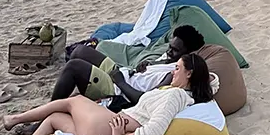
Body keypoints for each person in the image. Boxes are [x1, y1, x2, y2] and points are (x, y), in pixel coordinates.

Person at [2, 53, 214, 135]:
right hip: (108, 124)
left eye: (177, 68)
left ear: (189, 74)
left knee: (74, 100)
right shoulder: (175, 91)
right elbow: (213, 81)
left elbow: (152, 133)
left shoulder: (175, 95)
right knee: (55, 118)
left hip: (109, 127)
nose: (173, 71)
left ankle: (15, 119)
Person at [49, 26, 206, 109]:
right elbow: (150, 71)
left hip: (118, 90)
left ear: (188, 53)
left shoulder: (174, 74)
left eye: (175, 50)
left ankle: (50, 110)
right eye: (170, 47)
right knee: (80, 51)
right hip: (124, 73)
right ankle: (72, 93)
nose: (169, 51)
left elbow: (145, 100)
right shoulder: (167, 57)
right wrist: (146, 66)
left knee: (73, 67)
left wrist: (120, 82)